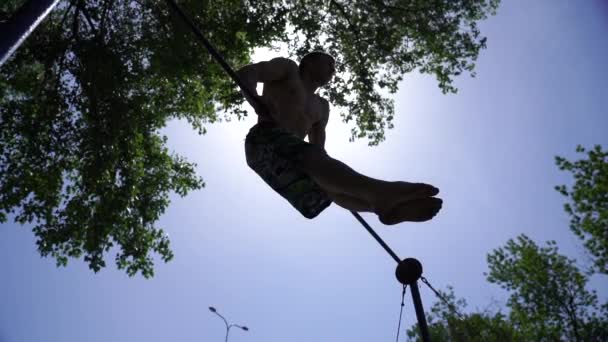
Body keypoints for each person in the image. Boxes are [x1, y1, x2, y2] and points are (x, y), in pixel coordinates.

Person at [236, 52, 442, 224]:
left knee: (326, 185)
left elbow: (319, 151)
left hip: (288, 156)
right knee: (312, 159)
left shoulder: (322, 107)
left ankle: (379, 207)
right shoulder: (288, 69)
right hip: (263, 140)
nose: (333, 70)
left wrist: (330, 172)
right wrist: (257, 101)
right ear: (309, 61)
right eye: (329, 63)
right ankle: (381, 193)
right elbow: (247, 73)